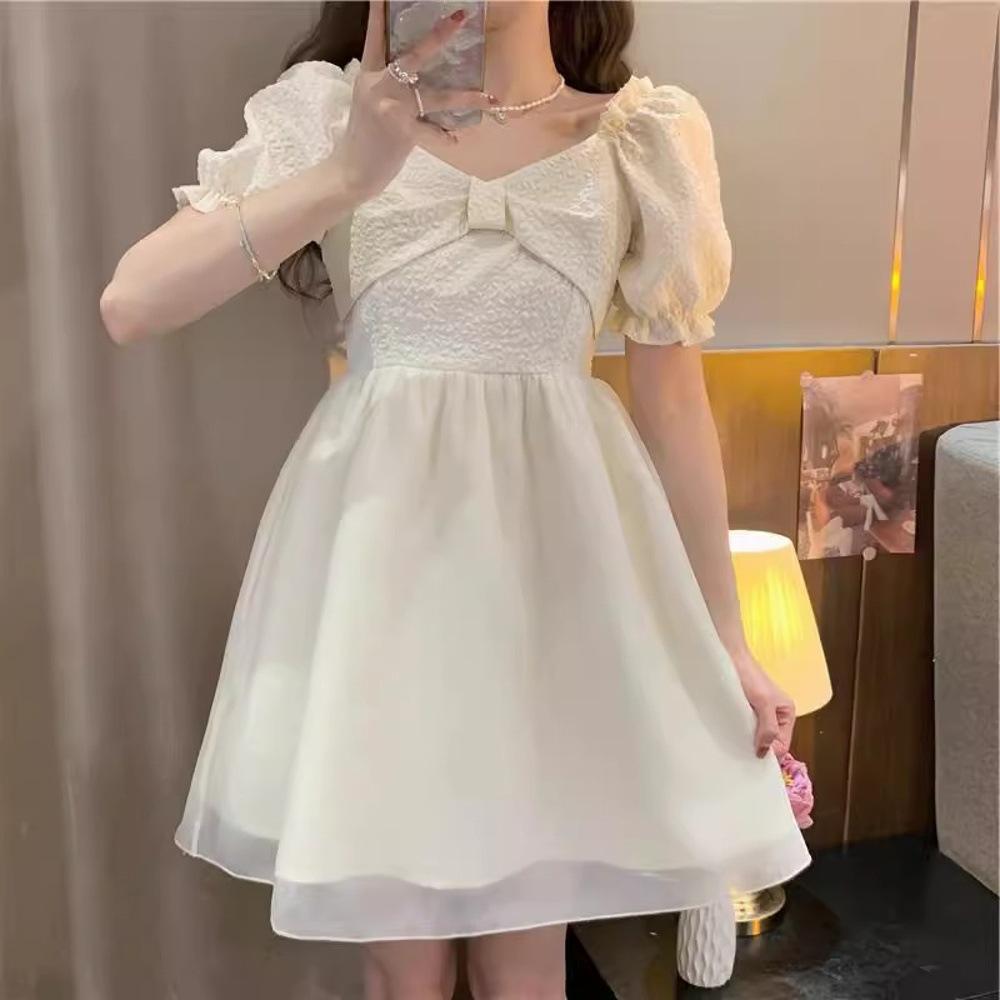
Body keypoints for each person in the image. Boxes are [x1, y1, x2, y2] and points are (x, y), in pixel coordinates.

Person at [100, 1, 811, 996]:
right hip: (382, 583)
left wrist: (726, 640)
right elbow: (132, 302)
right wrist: (349, 173)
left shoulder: (639, 137)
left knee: (527, 959)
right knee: (404, 959)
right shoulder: (331, 113)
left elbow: (675, 406)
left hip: (554, 590)